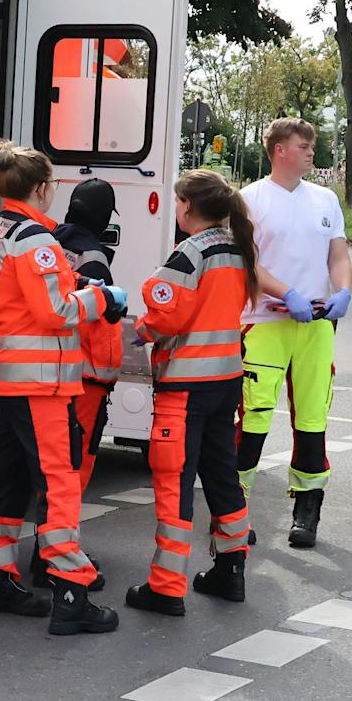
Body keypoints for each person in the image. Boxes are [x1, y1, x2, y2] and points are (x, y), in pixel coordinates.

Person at [0, 140, 124, 637]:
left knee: (8, 481)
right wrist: (101, 298)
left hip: (8, 376)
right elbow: (55, 311)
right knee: (60, 484)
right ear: (39, 188)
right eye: (53, 184)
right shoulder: (35, 238)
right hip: (41, 382)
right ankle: (72, 591)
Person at [126, 170, 256, 614]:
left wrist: (138, 332)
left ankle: (165, 587)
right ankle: (230, 570)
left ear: (185, 205)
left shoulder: (188, 254)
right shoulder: (237, 249)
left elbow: (166, 318)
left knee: (174, 482)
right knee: (222, 476)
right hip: (225, 381)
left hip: (186, 387)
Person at [236, 117, 352, 550]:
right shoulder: (248, 199)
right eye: (303, 146)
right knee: (253, 416)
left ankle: (307, 510)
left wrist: (343, 290)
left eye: (311, 146)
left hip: (317, 324)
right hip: (266, 322)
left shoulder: (325, 199)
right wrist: (287, 293)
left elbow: (338, 253)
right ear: (279, 149)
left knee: (312, 418)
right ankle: (235, 508)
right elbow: (248, 262)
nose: (310, 152)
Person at [55, 179, 123, 499]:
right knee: (76, 459)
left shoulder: (52, 241)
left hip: (55, 368)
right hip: (86, 378)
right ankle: (61, 541)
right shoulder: (94, 256)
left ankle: (52, 539)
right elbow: (105, 312)